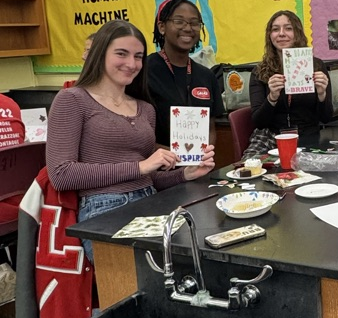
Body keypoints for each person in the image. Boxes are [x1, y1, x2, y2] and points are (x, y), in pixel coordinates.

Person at [46, 20, 215, 263]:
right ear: (100, 53)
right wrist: (141, 166)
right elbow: (62, 175)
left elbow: (149, 176)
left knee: (202, 254)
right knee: (151, 280)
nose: (132, 64)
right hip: (104, 210)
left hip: (152, 201)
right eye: (121, 54)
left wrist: (185, 175)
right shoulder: (72, 100)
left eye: (138, 56)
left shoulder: (145, 108)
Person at [147, 0, 224, 147]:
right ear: (162, 27)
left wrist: (202, 158)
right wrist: (174, 157)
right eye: (179, 21)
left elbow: (210, 128)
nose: (188, 28)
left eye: (194, 23)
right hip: (158, 165)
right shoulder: (144, 71)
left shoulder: (207, 76)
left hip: (199, 165)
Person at [249, 10, 333, 145]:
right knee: (249, 166)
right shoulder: (259, 71)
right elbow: (259, 122)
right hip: (272, 139)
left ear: (297, 33)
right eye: (275, 29)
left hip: (308, 138)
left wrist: (322, 94)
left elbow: (326, 118)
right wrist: (272, 98)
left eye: (288, 28)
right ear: (270, 36)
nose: (281, 34)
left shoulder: (316, 66)